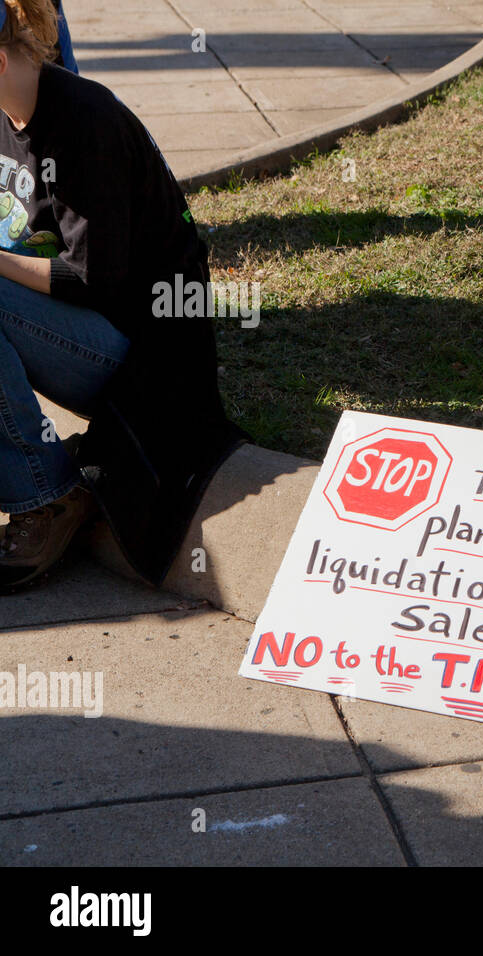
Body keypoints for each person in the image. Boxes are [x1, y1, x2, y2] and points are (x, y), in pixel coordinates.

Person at [0, 0, 244, 592]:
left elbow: (94, 277)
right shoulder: (7, 113)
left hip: (142, 355)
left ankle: (47, 495)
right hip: (80, 331)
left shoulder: (85, 122)